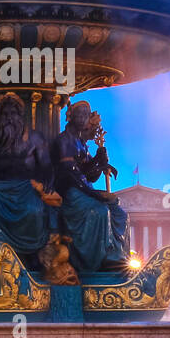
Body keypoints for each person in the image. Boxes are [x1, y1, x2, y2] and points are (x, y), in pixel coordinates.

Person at [0, 92, 58, 265]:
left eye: (12, 113)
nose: (9, 118)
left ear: (20, 115)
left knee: (34, 210)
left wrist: (47, 183)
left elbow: (47, 166)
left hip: (27, 187)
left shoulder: (35, 139)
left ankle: (30, 256)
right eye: (5, 114)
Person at [52, 101, 130, 273]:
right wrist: (96, 195)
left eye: (85, 115)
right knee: (100, 211)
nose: (82, 119)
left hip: (83, 189)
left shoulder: (81, 143)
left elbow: (89, 174)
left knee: (120, 212)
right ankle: (94, 261)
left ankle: (115, 256)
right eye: (79, 114)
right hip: (69, 191)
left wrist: (99, 160)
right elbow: (69, 174)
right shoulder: (65, 140)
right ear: (70, 116)